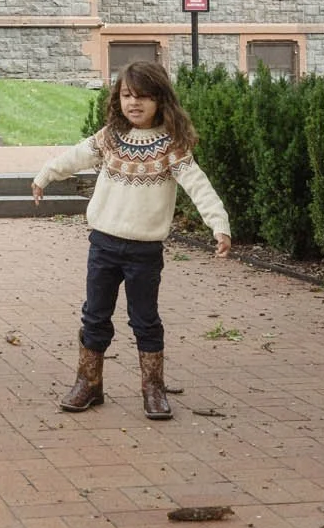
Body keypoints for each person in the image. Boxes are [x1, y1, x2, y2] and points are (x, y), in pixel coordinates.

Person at [32, 61, 232, 419]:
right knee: (95, 315)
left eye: (143, 96)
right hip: (103, 245)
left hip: (144, 251)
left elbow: (199, 186)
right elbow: (77, 154)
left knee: (145, 319)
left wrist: (218, 223)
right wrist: (46, 174)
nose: (133, 103)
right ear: (117, 99)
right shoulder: (109, 137)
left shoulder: (171, 147)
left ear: (161, 101)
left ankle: (153, 388)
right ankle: (89, 382)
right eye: (126, 95)